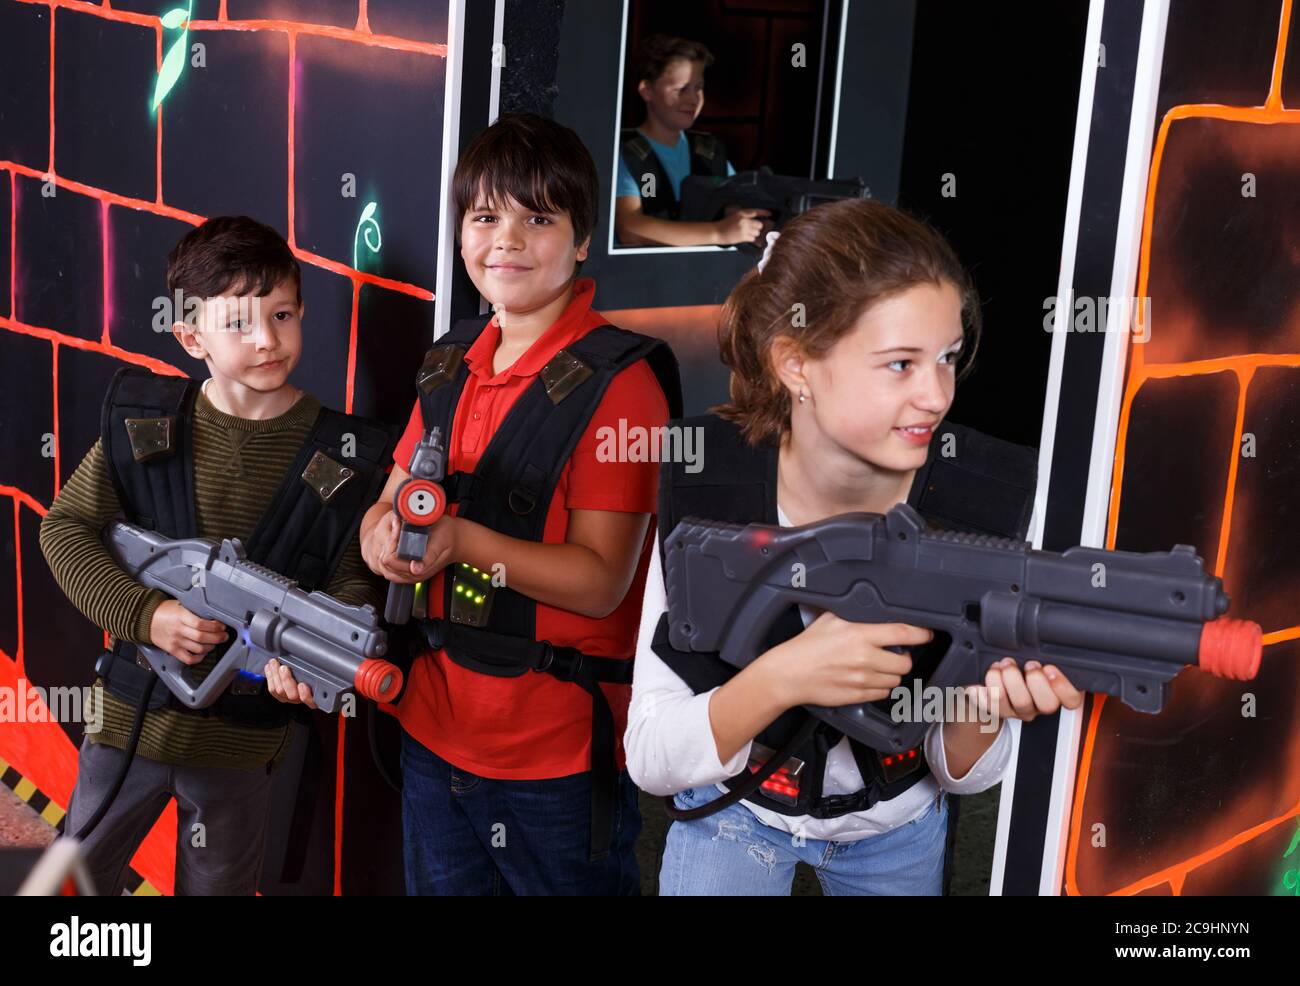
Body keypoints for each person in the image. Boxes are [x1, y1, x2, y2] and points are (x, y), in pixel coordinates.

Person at [625, 199, 1084, 895]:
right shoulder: (708, 485)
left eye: (948, 358)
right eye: (900, 364)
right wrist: (786, 675)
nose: (936, 394)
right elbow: (653, 757)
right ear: (796, 364)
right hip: (736, 812)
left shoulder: (979, 502)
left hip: (894, 824)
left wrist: (982, 708)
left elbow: (966, 769)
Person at [345, 113, 681, 895]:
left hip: (554, 756)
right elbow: (385, 508)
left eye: (539, 218)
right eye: (486, 216)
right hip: (430, 726)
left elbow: (602, 581)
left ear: (583, 239)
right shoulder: (447, 363)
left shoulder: (620, 385)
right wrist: (380, 538)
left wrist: (459, 541)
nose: (508, 240)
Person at [40, 216, 391, 895]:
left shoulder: (343, 456)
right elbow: (66, 530)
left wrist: (304, 664)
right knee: (73, 888)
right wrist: (148, 616)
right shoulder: (148, 425)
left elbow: (349, 581)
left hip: (242, 746)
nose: (267, 339)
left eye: (283, 314)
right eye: (239, 322)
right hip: (128, 728)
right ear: (190, 335)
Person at [614, 34, 767, 247]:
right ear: (647, 90)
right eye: (681, 89)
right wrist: (719, 233)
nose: (693, 98)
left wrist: (741, 216)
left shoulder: (711, 151)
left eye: (698, 87)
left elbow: (737, 203)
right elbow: (629, 228)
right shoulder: (623, 152)